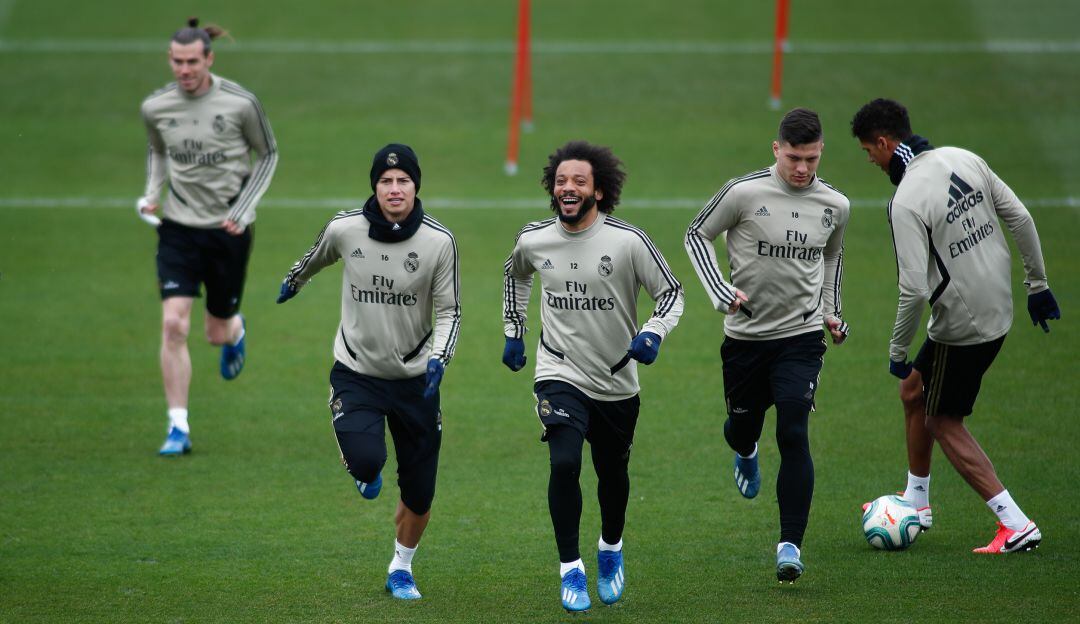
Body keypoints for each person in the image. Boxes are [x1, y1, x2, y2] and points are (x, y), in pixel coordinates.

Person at [850, 98, 1059, 554]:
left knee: (942, 419)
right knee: (913, 391)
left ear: (885, 143)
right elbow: (1020, 217)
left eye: (870, 151)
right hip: (998, 308)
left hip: (962, 326)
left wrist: (896, 351)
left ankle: (1016, 523)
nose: (871, 160)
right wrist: (1038, 285)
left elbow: (912, 290)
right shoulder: (962, 157)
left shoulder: (904, 201)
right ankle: (917, 503)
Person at [502, 140, 684, 612]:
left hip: (617, 379)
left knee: (612, 473)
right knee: (563, 463)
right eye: (561, 181)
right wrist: (515, 331)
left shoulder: (628, 242)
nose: (568, 188)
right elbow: (515, 274)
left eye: (579, 182)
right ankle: (571, 569)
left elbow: (671, 294)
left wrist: (653, 333)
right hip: (558, 369)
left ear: (598, 192)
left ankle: (609, 549)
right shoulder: (534, 239)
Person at [277, 144, 460, 599]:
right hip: (357, 373)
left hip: (417, 382)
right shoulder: (346, 229)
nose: (394, 189)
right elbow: (316, 255)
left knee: (420, 495)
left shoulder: (439, 242)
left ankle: (401, 567)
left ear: (416, 187)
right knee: (366, 461)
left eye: (402, 181)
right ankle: (364, 468)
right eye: (385, 181)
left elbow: (450, 312)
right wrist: (294, 281)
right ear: (374, 186)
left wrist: (440, 358)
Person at [684, 108, 850, 583]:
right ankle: (745, 448)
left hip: (800, 338)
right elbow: (696, 234)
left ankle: (789, 545)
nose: (802, 169)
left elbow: (832, 257)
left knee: (794, 430)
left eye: (812, 159)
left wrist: (830, 312)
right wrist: (720, 291)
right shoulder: (743, 193)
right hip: (745, 340)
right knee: (741, 428)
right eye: (795, 158)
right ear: (776, 149)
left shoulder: (834, 205)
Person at [138, 18, 278, 456]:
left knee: (214, 332)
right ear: (170, 60)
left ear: (209, 59)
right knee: (173, 323)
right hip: (178, 228)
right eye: (177, 62)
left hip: (227, 230)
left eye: (192, 61)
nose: (184, 70)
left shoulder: (240, 104)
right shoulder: (156, 107)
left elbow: (269, 153)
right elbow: (158, 149)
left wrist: (243, 208)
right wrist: (150, 192)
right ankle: (177, 426)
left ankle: (234, 332)